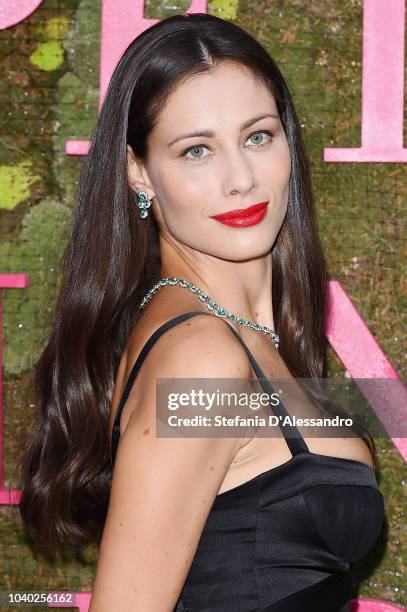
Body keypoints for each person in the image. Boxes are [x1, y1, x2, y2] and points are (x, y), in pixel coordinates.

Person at [17, 13, 384, 611]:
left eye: (258, 136)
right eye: (196, 151)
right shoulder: (204, 358)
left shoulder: (238, 338)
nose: (240, 178)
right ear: (139, 171)